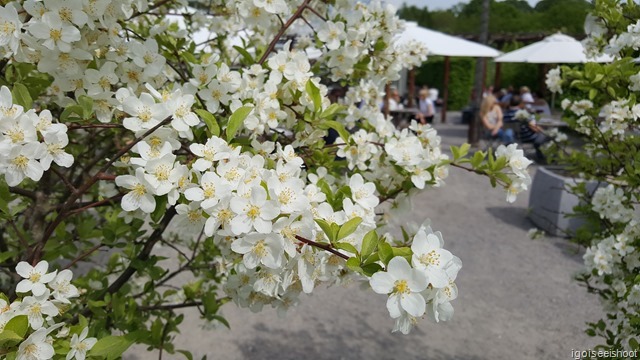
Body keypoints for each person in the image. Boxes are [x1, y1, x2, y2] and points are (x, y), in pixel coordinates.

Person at [504, 95, 549, 163]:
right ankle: (542, 156)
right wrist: (544, 131)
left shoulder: (506, 115)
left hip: (518, 138)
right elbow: (534, 127)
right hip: (530, 137)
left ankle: (540, 155)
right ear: (520, 103)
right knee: (546, 136)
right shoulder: (522, 114)